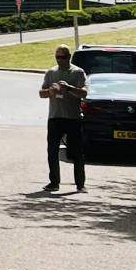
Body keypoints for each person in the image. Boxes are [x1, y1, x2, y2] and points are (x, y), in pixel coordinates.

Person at [39, 45, 88, 193]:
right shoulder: (50, 73)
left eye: (63, 57)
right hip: (55, 117)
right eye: (57, 57)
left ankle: (80, 184)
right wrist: (50, 91)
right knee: (52, 151)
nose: (60, 60)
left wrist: (69, 88)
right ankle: (54, 182)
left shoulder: (78, 72)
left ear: (69, 57)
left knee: (77, 152)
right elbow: (41, 93)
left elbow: (84, 93)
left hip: (73, 118)